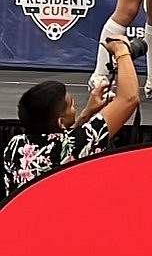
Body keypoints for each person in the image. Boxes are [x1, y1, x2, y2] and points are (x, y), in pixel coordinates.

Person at [4, 37, 140, 197]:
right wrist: (121, 51)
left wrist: (86, 114)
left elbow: (61, 143)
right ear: (60, 122)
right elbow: (129, 99)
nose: (74, 106)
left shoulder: (15, 145)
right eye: (70, 105)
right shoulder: (80, 142)